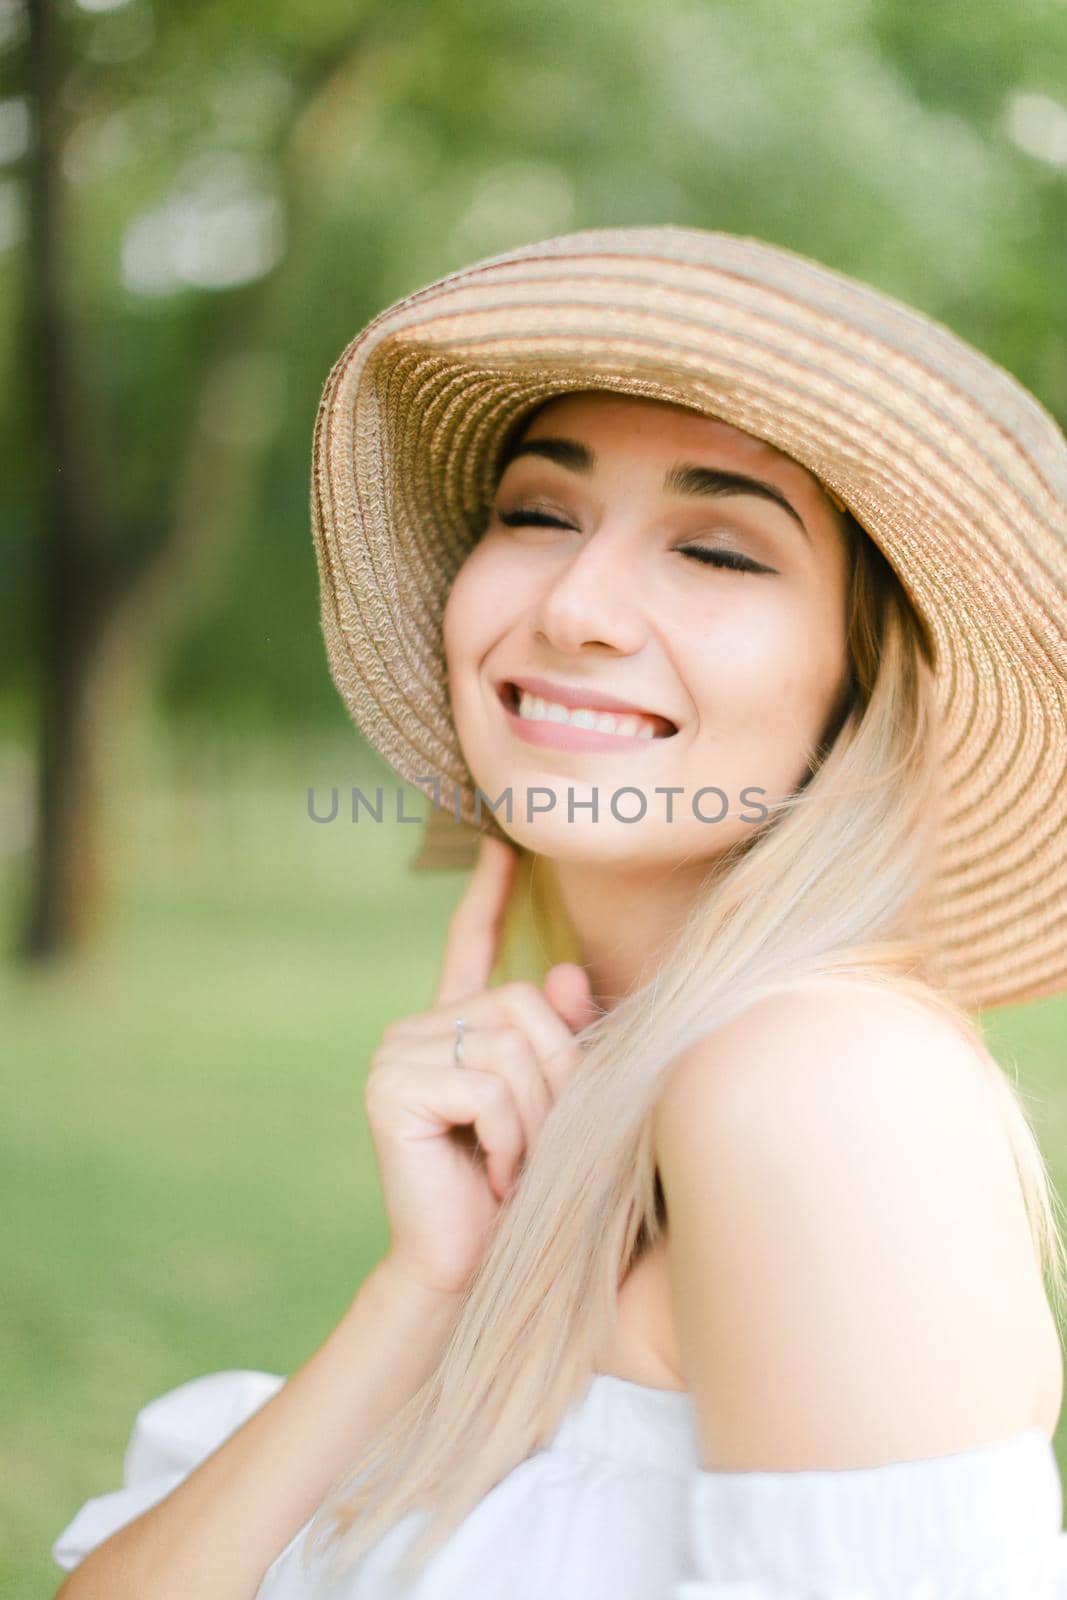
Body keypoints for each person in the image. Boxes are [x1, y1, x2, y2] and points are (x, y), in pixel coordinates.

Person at [53, 226, 1067, 1598]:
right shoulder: (607, 1103)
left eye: (718, 550)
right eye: (538, 514)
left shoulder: (823, 1086)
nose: (579, 607)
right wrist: (427, 1289)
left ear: (858, 682)